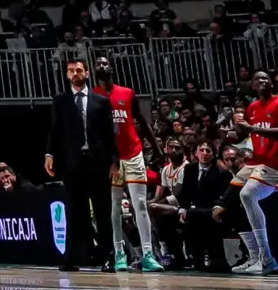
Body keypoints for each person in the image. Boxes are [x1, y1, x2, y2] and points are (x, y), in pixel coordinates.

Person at [45, 55, 115, 271]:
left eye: (79, 70)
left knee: (103, 211)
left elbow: (109, 135)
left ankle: (108, 258)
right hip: (72, 163)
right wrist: (49, 154)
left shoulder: (100, 101)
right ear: (67, 75)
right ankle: (72, 257)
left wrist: (114, 162)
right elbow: (54, 130)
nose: (76, 73)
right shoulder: (61, 100)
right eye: (72, 70)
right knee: (75, 212)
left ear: (86, 73)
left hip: (97, 163)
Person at [95, 57, 160, 272]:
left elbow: (141, 120)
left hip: (132, 153)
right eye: (98, 64)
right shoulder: (93, 96)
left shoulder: (127, 92)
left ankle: (148, 254)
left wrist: (157, 149)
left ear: (112, 68)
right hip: (111, 159)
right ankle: (119, 254)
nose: (102, 67)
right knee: (114, 208)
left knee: (139, 204)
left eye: (105, 63)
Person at [230, 68, 278, 275]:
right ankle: (253, 257)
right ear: (252, 85)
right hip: (256, 162)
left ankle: (267, 259)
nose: (262, 81)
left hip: (277, 163)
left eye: (266, 78)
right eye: (258, 79)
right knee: (230, 200)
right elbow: (242, 135)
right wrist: (236, 128)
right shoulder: (252, 107)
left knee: (247, 194)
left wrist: (253, 129)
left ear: (272, 83)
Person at [175, 141, 233, 272]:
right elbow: (184, 193)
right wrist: (182, 209)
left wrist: (216, 207)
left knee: (195, 216)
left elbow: (223, 197)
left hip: (212, 209)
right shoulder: (189, 169)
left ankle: (211, 258)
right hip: (192, 208)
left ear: (214, 154)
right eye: (201, 150)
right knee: (175, 217)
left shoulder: (221, 172)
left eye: (208, 151)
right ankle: (183, 258)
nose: (205, 154)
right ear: (196, 153)